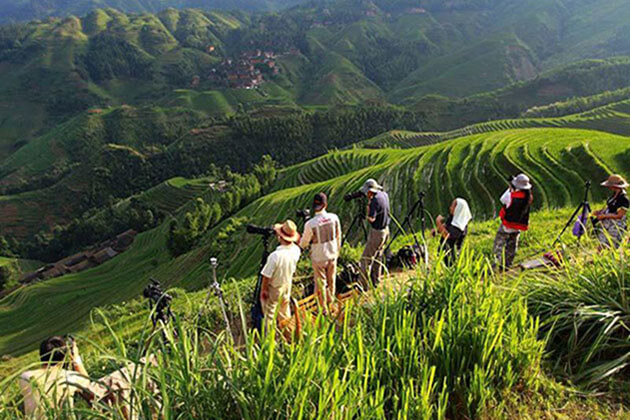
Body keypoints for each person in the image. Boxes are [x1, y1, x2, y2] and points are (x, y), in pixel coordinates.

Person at [19, 336, 102, 419]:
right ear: (65, 355)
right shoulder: (69, 377)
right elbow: (86, 382)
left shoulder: (26, 377)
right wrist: (75, 358)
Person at [300, 192, 342, 310]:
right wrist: (337, 250)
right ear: (325, 204)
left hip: (319, 257)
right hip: (332, 254)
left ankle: (322, 308)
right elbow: (339, 235)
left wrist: (300, 246)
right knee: (331, 280)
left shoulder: (310, 224)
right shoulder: (334, 218)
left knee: (320, 284)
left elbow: (304, 242)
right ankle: (331, 303)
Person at [260, 219, 301, 331]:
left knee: (270, 313)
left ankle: (269, 338)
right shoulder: (296, 250)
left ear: (280, 236)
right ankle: (288, 333)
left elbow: (266, 276)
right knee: (284, 310)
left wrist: (264, 291)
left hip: (275, 288)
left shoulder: (275, 256)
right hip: (287, 284)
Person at [493, 173, 533, 270]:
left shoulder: (510, 196)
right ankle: (507, 265)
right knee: (512, 246)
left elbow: (502, 200)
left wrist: (510, 188)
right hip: (518, 226)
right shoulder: (528, 197)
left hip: (507, 225)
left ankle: (495, 266)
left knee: (499, 245)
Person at [360, 179, 390, 288]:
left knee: (366, 259)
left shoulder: (374, 201)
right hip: (386, 230)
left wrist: (368, 210)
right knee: (378, 256)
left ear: (370, 191)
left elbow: (371, 219)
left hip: (377, 233)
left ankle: (363, 285)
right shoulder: (384, 195)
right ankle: (376, 281)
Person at [593, 174, 629, 248]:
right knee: (601, 242)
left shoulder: (624, 199)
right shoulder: (614, 195)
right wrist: (600, 212)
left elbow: (620, 215)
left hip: (616, 225)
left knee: (610, 244)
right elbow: (610, 207)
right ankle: (597, 257)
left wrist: (604, 216)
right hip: (607, 222)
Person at [434, 198, 472, 266]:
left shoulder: (459, 226)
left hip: (451, 259)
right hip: (444, 255)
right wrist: (437, 230)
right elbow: (446, 227)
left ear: (458, 209)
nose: (450, 208)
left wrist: (438, 222)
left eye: (453, 206)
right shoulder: (453, 219)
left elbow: (447, 235)